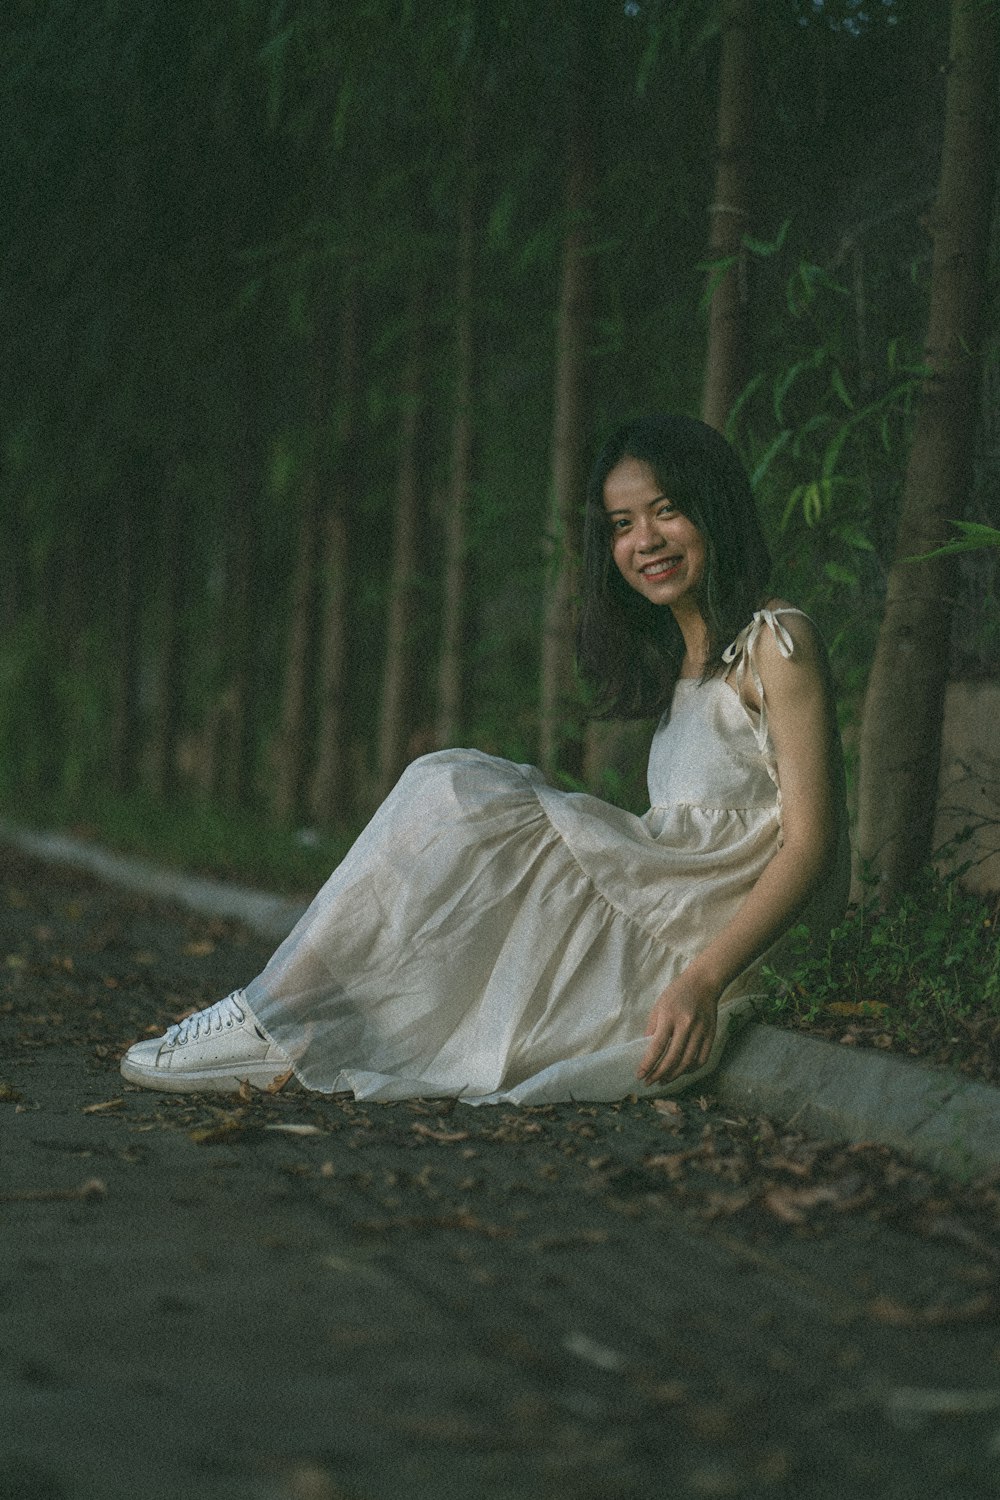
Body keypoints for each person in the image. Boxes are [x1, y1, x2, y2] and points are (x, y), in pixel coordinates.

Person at [121, 414, 850, 1102]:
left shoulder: (776, 641)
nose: (645, 541)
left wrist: (704, 982)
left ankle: (273, 1022)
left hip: (707, 942)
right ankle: (281, 1016)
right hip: (673, 906)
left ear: (713, 508)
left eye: (666, 511)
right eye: (622, 525)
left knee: (453, 789)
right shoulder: (684, 655)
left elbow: (811, 845)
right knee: (457, 800)